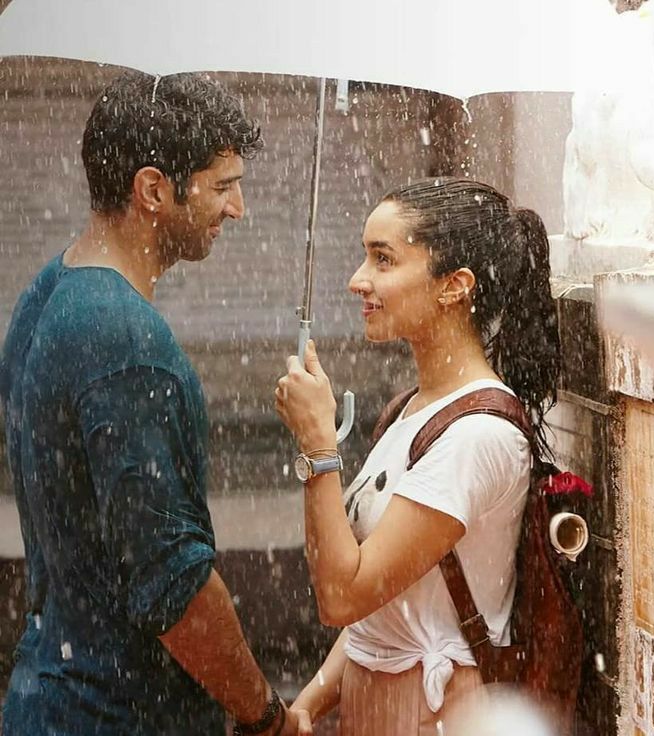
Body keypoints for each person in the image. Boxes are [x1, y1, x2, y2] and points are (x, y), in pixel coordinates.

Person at [0, 72, 308, 735]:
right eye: (222, 186)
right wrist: (266, 716)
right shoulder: (126, 342)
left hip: (52, 690)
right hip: (119, 713)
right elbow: (176, 590)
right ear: (153, 190)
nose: (239, 208)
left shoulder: (48, 291)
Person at [275, 177, 560, 735]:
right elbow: (377, 617)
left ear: (454, 285)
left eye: (384, 259)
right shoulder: (411, 409)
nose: (359, 280)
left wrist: (318, 448)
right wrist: (306, 705)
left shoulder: (478, 435)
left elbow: (342, 595)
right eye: (366, 257)